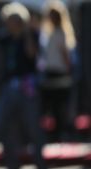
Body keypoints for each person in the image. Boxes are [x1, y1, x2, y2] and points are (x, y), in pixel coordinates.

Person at [0, 2, 45, 169]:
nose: (10, 24)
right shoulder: (5, 38)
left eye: (14, 21)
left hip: (27, 86)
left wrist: (28, 32)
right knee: (7, 127)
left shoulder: (32, 35)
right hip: (9, 86)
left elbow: (32, 55)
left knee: (33, 127)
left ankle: (40, 167)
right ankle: (12, 166)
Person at [38, 0, 77, 142]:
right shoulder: (48, 34)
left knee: (59, 106)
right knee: (49, 106)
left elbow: (65, 55)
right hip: (49, 72)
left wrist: (68, 72)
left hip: (60, 73)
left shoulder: (61, 33)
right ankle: (53, 133)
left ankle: (60, 133)